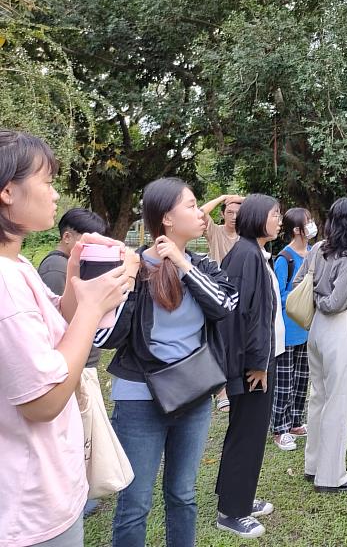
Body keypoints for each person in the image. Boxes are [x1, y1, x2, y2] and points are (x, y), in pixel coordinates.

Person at [0, 130, 132, 546]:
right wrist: (93, 309)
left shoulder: (17, 265)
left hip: (44, 491)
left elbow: (56, 330)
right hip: (29, 510)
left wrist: (76, 279)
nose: (57, 195)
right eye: (47, 181)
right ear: (7, 191)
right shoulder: (4, 283)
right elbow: (44, 402)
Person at [94, 177, 239, 546]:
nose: (201, 213)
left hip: (192, 394)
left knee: (183, 495)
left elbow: (224, 307)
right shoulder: (134, 268)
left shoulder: (202, 266)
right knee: (135, 501)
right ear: (167, 219)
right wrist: (127, 279)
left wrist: (182, 264)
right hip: (139, 397)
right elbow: (105, 338)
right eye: (191, 206)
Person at [215, 194, 283, 538]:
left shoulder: (252, 252)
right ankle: (231, 511)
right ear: (257, 217)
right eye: (274, 214)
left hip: (256, 360)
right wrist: (258, 364)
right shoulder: (247, 255)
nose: (279, 220)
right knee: (247, 433)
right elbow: (248, 316)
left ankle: (239, 495)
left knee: (249, 433)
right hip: (252, 365)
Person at [36, 207, 110, 517]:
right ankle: (78, 498)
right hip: (72, 364)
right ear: (68, 237)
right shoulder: (56, 268)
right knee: (79, 432)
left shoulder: (66, 264)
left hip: (80, 362)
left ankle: (80, 495)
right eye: (87, 239)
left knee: (82, 431)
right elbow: (61, 325)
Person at [292, 197, 347, 493]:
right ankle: (332, 474)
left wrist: (314, 297)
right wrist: (324, 300)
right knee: (338, 400)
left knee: (318, 396)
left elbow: (300, 282)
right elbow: (336, 303)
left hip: (315, 330)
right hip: (337, 326)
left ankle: (313, 465)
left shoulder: (316, 251)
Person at [272, 207, 316, 451]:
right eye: (307, 222)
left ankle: (296, 422)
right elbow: (280, 295)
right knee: (284, 381)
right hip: (288, 330)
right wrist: (302, 295)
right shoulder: (284, 259)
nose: (311, 226)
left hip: (307, 328)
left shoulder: (313, 253)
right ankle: (280, 428)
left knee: (302, 378)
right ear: (296, 229)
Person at [200, 193, 242, 412]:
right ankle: (221, 391)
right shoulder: (215, 232)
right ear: (223, 214)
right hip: (218, 292)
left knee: (237, 342)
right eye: (230, 212)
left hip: (242, 293)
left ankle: (233, 386)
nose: (234, 217)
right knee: (219, 342)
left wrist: (243, 200)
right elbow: (200, 214)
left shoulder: (246, 237)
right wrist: (224, 197)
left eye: (238, 213)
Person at [38, 208, 108, 296]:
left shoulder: (69, 263)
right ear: (67, 237)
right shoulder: (56, 266)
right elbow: (54, 308)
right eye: (89, 241)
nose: (94, 247)